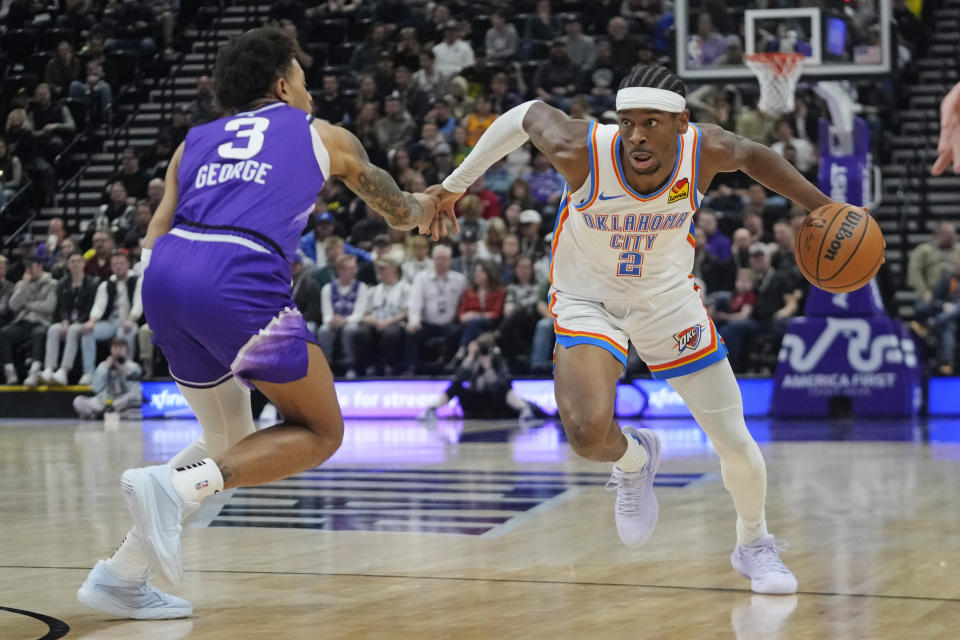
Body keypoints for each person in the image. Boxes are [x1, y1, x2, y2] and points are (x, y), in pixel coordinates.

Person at [427, 63, 842, 595]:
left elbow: (756, 156)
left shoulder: (705, 149)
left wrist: (825, 208)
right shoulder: (584, 149)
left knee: (734, 441)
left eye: (651, 122)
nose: (637, 136)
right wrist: (454, 187)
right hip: (588, 299)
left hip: (667, 301)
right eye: (627, 122)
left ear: (681, 123)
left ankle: (754, 543)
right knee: (584, 433)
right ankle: (635, 459)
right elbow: (523, 117)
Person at [76, 27, 447, 620]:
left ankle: (120, 576)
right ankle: (171, 489)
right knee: (321, 430)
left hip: (166, 276)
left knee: (228, 444)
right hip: (236, 275)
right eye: (302, 78)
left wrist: (168, 288)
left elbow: (157, 227)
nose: (309, 90)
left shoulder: (192, 140)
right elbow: (398, 210)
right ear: (282, 84)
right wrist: (429, 205)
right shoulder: (322, 134)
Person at [419, 331, 535, 421]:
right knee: (456, 386)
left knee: (506, 389)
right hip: (473, 403)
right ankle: (432, 409)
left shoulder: (498, 361)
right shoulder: (471, 360)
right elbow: (458, 379)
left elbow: (500, 387)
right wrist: (470, 358)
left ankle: (524, 410)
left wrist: (488, 368)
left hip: (494, 403)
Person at [405, 244, 467, 373]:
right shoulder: (421, 278)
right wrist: (414, 320)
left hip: (449, 324)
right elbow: (415, 302)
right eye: (438, 258)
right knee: (411, 331)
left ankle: (450, 366)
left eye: (444, 258)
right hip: (427, 323)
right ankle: (411, 368)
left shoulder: (460, 280)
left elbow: (465, 303)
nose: (441, 261)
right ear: (432, 259)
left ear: (450, 260)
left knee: (459, 331)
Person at [42, 252, 99, 386]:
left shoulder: (92, 283)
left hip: (84, 321)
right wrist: (65, 320)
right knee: (53, 329)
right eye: (72, 261)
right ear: (68, 265)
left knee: (73, 330)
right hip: (67, 321)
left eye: (79, 261)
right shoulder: (62, 283)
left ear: (84, 264)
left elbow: (91, 307)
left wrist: (77, 321)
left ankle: (64, 370)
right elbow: (61, 306)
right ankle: (49, 368)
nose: (76, 264)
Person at [1, 256, 57, 386]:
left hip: (41, 322)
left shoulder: (51, 283)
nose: (29, 270)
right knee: (4, 333)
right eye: (27, 268)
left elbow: (49, 306)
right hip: (23, 322)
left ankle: (34, 372)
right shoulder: (21, 284)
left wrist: (27, 305)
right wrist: (24, 285)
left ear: (39, 266)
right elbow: (13, 305)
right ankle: (10, 372)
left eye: (31, 267)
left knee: (38, 333)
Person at [317, 254, 370, 378]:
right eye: (349, 268)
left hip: (352, 322)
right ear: (340, 270)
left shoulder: (361, 287)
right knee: (324, 330)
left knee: (349, 329)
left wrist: (345, 320)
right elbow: (326, 315)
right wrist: (332, 320)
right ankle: (326, 367)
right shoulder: (327, 289)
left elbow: (359, 313)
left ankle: (350, 366)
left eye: (354, 268)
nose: (353, 271)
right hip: (334, 322)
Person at [72, 338, 142, 418]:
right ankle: (108, 412)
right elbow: (96, 388)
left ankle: (101, 413)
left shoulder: (133, 366)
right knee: (78, 401)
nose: (118, 351)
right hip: (104, 401)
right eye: (115, 348)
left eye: (121, 348)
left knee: (135, 394)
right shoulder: (103, 366)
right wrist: (105, 369)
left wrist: (122, 369)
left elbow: (134, 388)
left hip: (122, 400)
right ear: (111, 349)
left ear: (126, 350)